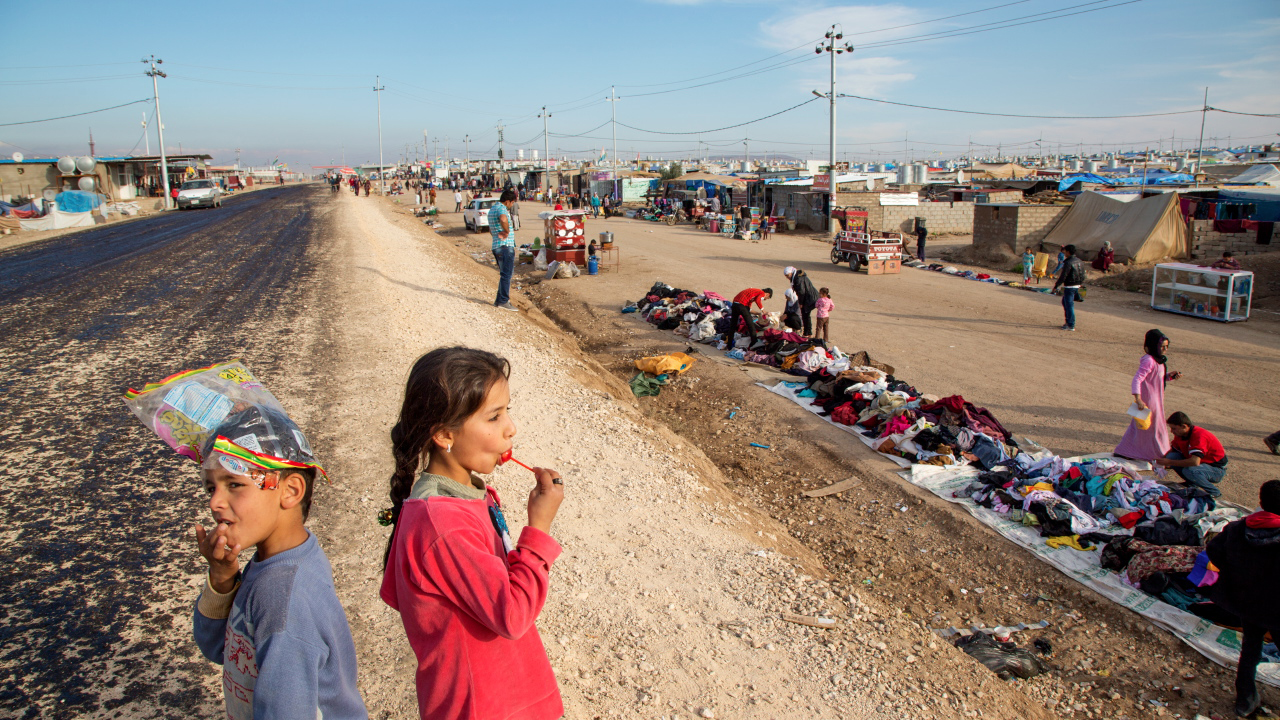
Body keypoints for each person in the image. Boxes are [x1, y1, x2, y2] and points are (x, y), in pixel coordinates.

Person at [380, 348, 565, 720]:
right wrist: (539, 528)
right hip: (484, 707)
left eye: (507, 410)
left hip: (508, 696)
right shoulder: (440, 522)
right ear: (445, 435)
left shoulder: (463, 495)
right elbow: (512, 614)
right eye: (494, 417)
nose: (510, 427)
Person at [191, 405, 367, 719]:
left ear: (290, 491)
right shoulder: (280, 561)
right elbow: (220, 647)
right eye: (211, 487)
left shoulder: (282, 596)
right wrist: (221, 577)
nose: (215, 502)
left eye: (234, 484)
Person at [1205, 479, 1280, 718]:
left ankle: (1245, 701)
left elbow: (1214, 551)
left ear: (1260, 503)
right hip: (1278, 607)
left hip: (1248, 604)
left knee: (1250, 650)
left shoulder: (1237, 529)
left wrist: (1236, 573)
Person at [1115, 329, 1181, 461]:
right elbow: (1137, 379)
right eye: (1162, 346)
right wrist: (1138, 399)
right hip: (1149, 401)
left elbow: (1156, 378)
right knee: (1154, 427)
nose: (1164, 349)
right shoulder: (1149, 361)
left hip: (1156, 399)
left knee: (1140, 427)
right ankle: (1160, 454)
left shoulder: (1159, 361)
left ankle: (1127, 451)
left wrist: (1170, 376)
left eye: (1166, 346)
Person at [1154, 411, 1228, 497]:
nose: (1171, 431)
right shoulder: (1181, 434)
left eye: (1174, 428)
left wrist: (1169, 462)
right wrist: (1160, 461)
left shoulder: (1199, 436)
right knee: (1172, 456)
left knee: (1189, 470)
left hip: (1216, 469)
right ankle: (1192, 483)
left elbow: (1195, 462)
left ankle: (1214, 492)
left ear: (1184, 426)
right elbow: (1173, 450)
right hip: (1203, 465)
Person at [489, 189, 519, 311]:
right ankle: (503, 301)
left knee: (504, 274)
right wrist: (506, 231)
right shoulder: (501, 209)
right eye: (512, 203)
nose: (511, 206)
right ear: (507, 201)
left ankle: (499, 300)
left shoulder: (493, 209)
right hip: (505, 246)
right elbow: (503, 219)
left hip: (497, 245)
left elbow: (491, 228)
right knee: (507, 274)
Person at [1052, 243, 1085, 331]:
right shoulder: (1079, 261)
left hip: (1070, 286)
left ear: (1068, 252)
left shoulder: (1068, 262)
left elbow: (1063, 276)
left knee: (1069, 304)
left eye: (1065, 251)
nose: (1064, 252)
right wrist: (1080, 283)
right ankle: (1068, 322)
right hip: (1076, 285)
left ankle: (1070, 324)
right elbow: (1082, 274)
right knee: (1065, 303)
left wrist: (1056, 286)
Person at [783, 266, 819, 337]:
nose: (787, 277)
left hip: (810, 298)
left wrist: (801, 303)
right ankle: (807, 332)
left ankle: (807, 333)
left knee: (805, 315)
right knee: (806, 315)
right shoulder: (797, 277)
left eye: (788, 275)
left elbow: (801, 292)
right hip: (809, 297)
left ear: (791, 273)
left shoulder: (798, 279)